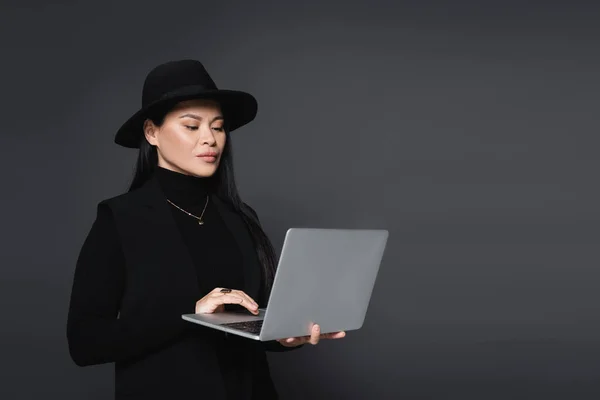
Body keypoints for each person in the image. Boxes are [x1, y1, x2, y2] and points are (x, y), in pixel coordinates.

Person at [66, 59, 345, 400]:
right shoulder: (119, 219)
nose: (210, 139)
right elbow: (84, 343)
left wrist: (284, 338)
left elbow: (250, 323)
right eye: (191, 126)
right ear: (152, 132)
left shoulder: (239, 216)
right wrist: (188, 314)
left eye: (218, 126)